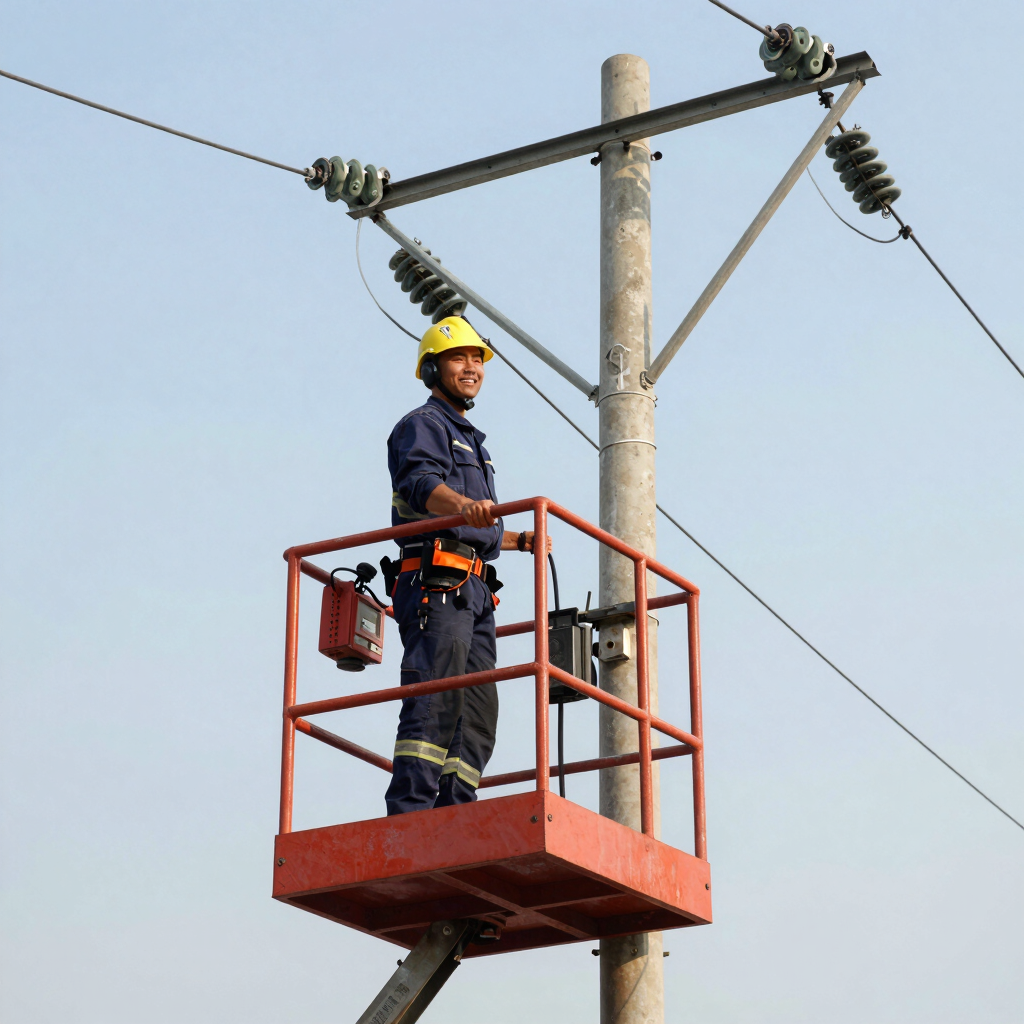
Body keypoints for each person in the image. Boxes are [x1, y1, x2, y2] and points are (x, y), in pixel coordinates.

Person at [382, 316, 544, 815]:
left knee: (476, 709)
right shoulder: (422, 425)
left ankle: (455, 813)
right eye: (459, 358)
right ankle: (411, 814)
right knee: (436, 697)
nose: (472, 367)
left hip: (472, 589)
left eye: (477, 359)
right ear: (433, 367)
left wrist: (520, 540)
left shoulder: (474, 441)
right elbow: (421, 488)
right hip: (436, 584)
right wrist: (457, 504)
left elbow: (479, 524)